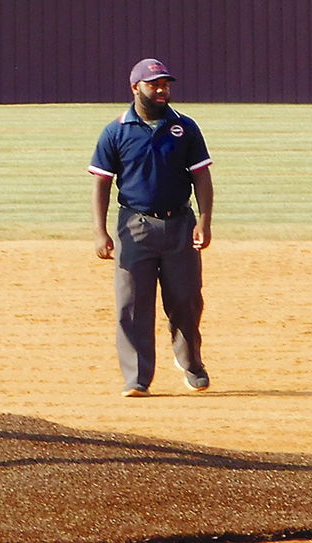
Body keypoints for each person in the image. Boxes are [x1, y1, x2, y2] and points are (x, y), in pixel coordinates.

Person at [88, 58, 214, 397]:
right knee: (132, 305)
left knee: (186, 300)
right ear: (135, 88)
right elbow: (101, 183)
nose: (161, 90)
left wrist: (204, 220)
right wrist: (101, 231)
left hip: (180, 226)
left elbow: (201, 176)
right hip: (134, 226)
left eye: (165, 84)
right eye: (153, 84)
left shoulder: (185, 127)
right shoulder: (115, 131)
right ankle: (137, 378)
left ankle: (191, 364)